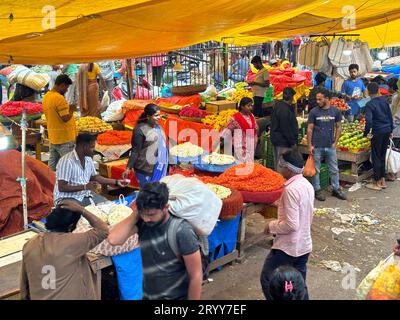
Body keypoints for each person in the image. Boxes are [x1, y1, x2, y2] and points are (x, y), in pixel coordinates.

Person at [108, 182, 202, 300]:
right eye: (143, 214)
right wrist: (136, 213)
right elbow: (113, 239)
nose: (147, 218)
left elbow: (196, 275)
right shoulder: (143, 222)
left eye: (151, 214)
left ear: (165, 208)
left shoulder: (181, 231)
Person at [20, 200, 109, 300]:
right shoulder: (73, 243)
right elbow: (103, 230)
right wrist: (81, 210)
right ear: (71, 226)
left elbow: (24, 284)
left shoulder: (30, 244)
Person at [260, 150, 314, 300]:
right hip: (304, 245)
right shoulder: (306, 184)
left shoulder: (290, 190)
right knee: (298, 284)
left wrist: (270, 226)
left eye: (281, 165)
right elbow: (304, 210)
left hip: (288, 247)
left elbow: (291, 224)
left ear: (289, 169)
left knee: (268, 279)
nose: (279, 167)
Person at [54, 133, 129, 206]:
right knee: (83, 215)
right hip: (67, 198)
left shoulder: (88, 159)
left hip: (85, 195)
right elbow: (62, 187)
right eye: (92, 147)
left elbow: (95, 177)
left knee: (109, 207)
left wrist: (116, 182)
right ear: (84, 147)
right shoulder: (67, 161)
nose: (94, 149)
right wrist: (84, 187)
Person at [307, 88, 347, 201]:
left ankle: (336, 188)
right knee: (316, 170)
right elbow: (310, 129)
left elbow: (339, 127)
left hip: (330, 146)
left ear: (327, 99)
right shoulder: (314, 112)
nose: (317, 101)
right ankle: (317, 189)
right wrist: (309, 145)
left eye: (320, 99)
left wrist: (335, 142)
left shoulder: (335, 111)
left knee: (334, 169)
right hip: (317, 146)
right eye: (317, 99)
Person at [122, 104, 168, 187]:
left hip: (160, 167)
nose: (159, 117)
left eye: (159, 115)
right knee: (149, 193)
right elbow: (135, 151)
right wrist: (128, 168)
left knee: (158, 192)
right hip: (146, 169)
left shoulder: (159, 127)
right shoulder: (140, 130)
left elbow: (164, 146)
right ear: (148, 116)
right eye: (156, 115)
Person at [42, 74, 76, 171]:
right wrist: (72, 109)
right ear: (62, 85)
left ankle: (50, 182)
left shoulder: (46, 96)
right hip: (65, 138)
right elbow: (65, 118)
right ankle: (68, 184)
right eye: (66, 87)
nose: (67, 90)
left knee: (52, 165)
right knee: (68, 165)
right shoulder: (59, 98)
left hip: (53, 136)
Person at [364, 82, 394, 190]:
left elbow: (369, 121)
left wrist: (366, 133)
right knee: (382, 154)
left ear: (368, 92)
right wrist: (391, 130)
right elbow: (390, 116)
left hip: (377, 132)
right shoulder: (384, 101)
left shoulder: (369, 104)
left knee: (376, 156)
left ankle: (377, 182)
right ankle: (383, 180)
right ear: (378, 91)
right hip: (386, 130)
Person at [221, 97, 258, 163]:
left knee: (249, 162)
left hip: (251, 144)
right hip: (240, 145)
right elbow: (228, 130)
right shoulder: (235, 118)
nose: (250, 108)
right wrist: (221, 140)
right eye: (248, 106)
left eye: (251, 105)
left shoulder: (251, 115)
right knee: (241, 163)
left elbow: (255, 126)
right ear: (242, 106)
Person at [270, 87, 298, 172]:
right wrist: (292, 142)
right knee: (282, 164)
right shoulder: (284, 110)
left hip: (278, 139)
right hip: (283, 141)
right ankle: (282, 182)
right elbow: (285, 128)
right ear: (292, 97)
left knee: (279, 162)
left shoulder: (278, 106)